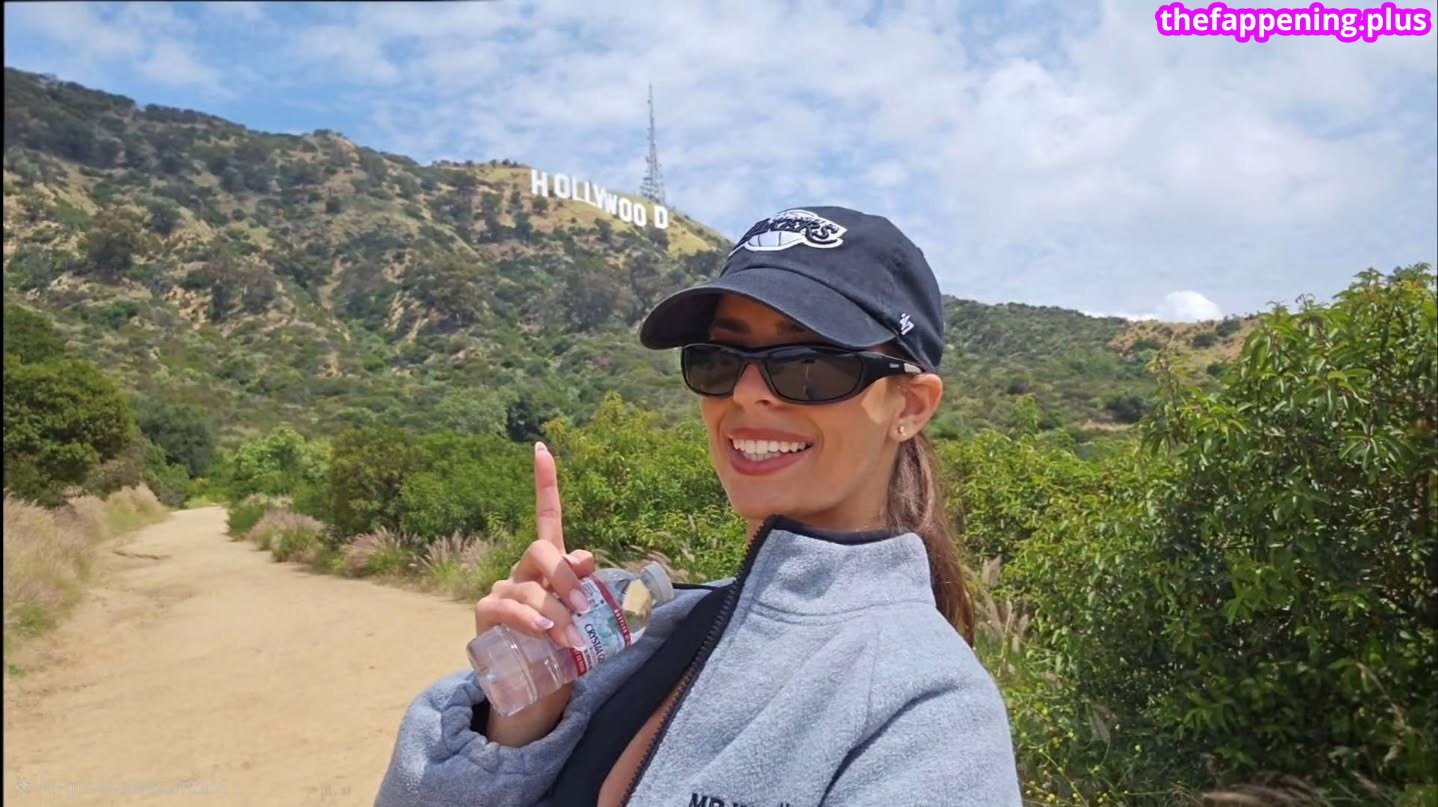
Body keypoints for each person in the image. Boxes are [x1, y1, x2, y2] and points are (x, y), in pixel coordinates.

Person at [375, 206, 1022, 806]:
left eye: (808, 364)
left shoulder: (931, 714)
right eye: (719, 359)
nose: (746, 393)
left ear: (909, 406)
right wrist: (518, 720)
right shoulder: (646, 629)